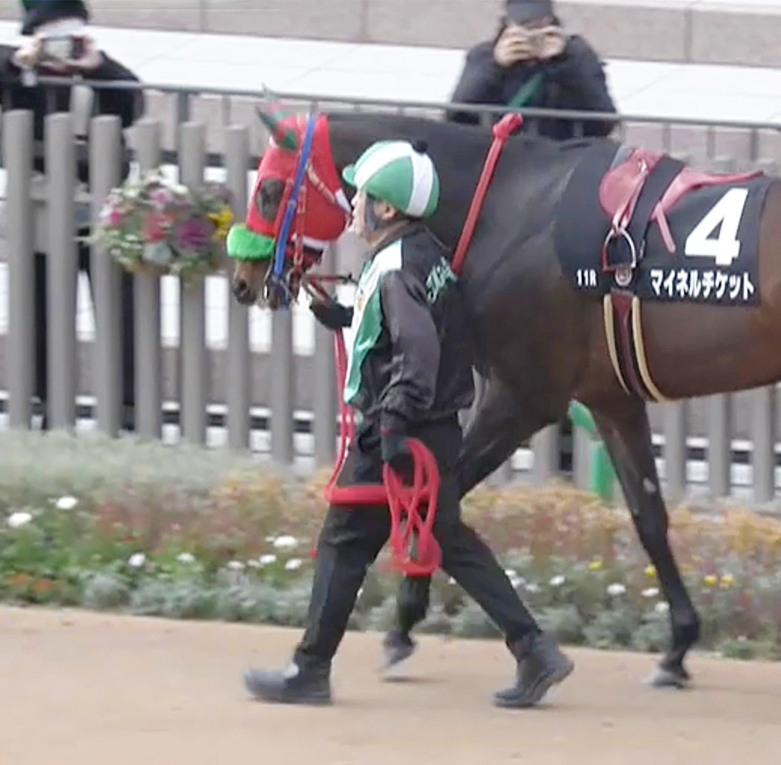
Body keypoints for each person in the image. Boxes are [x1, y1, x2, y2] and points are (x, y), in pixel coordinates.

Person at [243, 139, 574, 708]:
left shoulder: (395, 269)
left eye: (362, 196)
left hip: (398, 435)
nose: (352, 205)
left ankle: (310, 670)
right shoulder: (422, 253)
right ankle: (534, 648)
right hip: (435, 430)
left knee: (344, 542)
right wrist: (345, 316)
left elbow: (417, 352)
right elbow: (421, 325)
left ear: (388, 208)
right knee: (448, 541)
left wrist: (392, 425)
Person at [0, 0, 141, 430]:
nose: (61, 52)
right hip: (38, 217)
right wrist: (19, 60)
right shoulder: (16, 78)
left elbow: (134, 102)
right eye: (52, 41)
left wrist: (98, 66)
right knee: (42, 315)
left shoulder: (102, 76)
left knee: (119, 313)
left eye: (69, 40)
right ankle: (50, 407)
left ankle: (126, 410)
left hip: (100, 213)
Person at [447, 0, 617, 140]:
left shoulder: (576, 55)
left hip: (560, 155)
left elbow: (604, 120)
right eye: (523, 27)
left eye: (539, 26)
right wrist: (495, 67)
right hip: (504, 154)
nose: (531, 35)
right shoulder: (484, 55)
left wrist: (565, 64)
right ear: (507, 23)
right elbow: (457, 116)